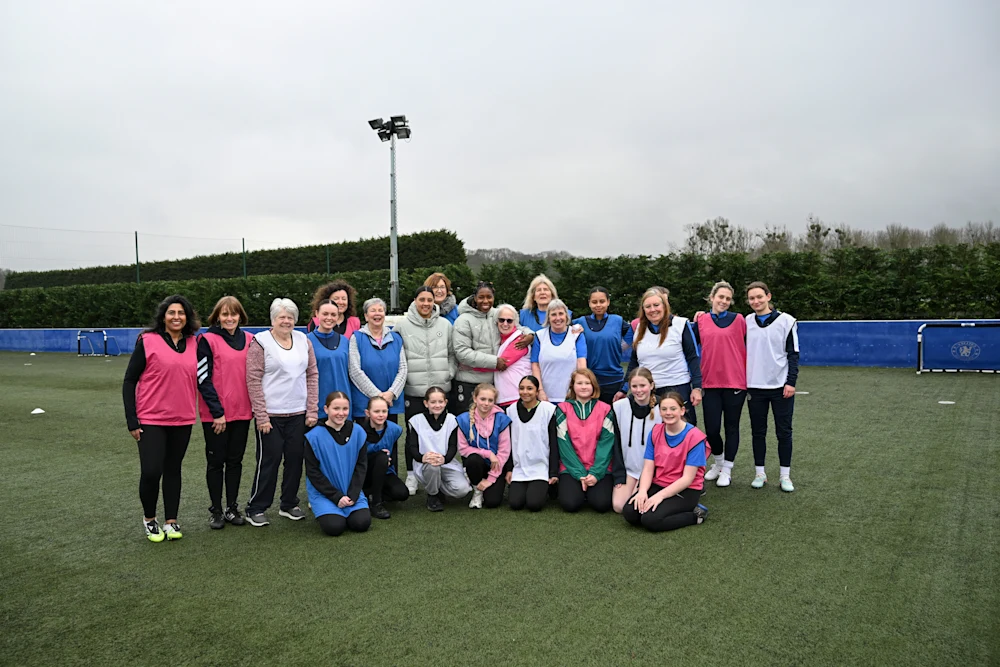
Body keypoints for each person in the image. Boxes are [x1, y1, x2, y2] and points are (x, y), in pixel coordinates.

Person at [123, 294, 200, 542]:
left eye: (181, 313)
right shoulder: (147, 341)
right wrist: (132, 420)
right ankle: (149, 519)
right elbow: (129, 380)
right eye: (171, 312)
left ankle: (171, 521)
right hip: (151, 418)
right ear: (163, 316)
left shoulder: (194, 343)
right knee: (151, 471)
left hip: (183, 418)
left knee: (173, 469)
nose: (176, 317)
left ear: (187, 317)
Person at [245, 298, 319, 527]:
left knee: (295, 460)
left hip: (298, 412)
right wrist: (262, 415)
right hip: (272, 415)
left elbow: (312, 374)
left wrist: (312, 409)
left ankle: (288, 504)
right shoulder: (261, 341)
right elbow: (253, 379)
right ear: (273, 319)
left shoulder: (303, 340)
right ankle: (256, 507)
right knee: (269, 460)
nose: (286, 321)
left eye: (290, 317)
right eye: (282, 317)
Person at [196, 295, 254, 529]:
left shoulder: (251, 340)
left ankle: (231, 507)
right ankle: (216, 510)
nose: (230, 318)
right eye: (225, 314)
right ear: (217, 317)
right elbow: (203, 379)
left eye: (234, 314)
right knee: (215, 462)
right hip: (216, 416)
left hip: (242, 412)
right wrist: (217, 412)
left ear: (240, 316)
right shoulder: (206, 340)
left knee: (235, 461)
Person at [393, 286, 455, 495]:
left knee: (442, 434)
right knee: (413, 435)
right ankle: (411, 474)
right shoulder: (402, 326)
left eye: (430, 300)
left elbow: (452, 353)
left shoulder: (445, 324)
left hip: (441, 389)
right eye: (422, 300)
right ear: (415, 301)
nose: (426, 304)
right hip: (414, 390)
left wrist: (449, 373)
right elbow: (396, 355)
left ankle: (443, 470)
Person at [622, 392, 710, 532]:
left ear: (682, 411)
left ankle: (696, 515)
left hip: (686, 490)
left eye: (673, 409)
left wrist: (659, 497)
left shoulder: (695, 437)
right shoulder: (656, 431)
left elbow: (687, 479)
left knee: (650, 520)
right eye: (664, 409)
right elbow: (648, 468)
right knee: (629, 513)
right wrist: (642, 491)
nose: (668, 413)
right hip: (660, 482)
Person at [618, 288, 702, 426]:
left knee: (683, 431)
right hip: (648, 391)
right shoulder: (640, 328)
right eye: (648, 306)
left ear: (664, 305)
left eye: (656, 305)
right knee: (652, 433)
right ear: (643, 310)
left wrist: (697, 388)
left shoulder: (680, 324)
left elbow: (692, 357)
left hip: (677, 387)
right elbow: (634, 362)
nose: (653, 310)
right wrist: (624, 388)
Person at [745, 281, 799, 492]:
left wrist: (791, 382)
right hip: (754, 387)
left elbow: (793, 354)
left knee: (783, 432)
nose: (756, 301)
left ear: (768, 296)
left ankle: (785, 476)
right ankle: (760, 473)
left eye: (759, 296)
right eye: (751, 298)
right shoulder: (746, 321)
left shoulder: (787, 321)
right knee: (758, 432)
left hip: (780, 387)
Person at [692, 281, 747, 488]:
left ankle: (727, 469)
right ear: (712, 297)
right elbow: (689, 348)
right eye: (720, 297)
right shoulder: (701, 321)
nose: (723, 301)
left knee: (731, 427)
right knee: (712, 429)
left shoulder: (740, 320)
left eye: (727, 298)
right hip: (709, 383)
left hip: (735, 382)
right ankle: (719, 462)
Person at [453, 281, 533, 412]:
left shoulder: (497, 314)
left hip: (492, 383)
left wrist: (530, 334)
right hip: (469, 382)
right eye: (481, 297)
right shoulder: (463, 320)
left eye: (489, 297)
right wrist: (494, 362)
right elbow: (462, 353)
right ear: (475, 297)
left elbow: (517, 326)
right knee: (469, 424)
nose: (485, 301)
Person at [304, 392, 371, 536]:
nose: (341, 413)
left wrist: (353, 494)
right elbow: (313, 472)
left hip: (350, 491)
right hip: (325, 494)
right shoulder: (313, 436)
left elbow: (361, 466)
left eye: (345, 409)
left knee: (361, 523)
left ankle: (349, 506)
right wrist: (336, 497)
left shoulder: (358, 431)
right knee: (334, 527)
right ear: (326, 409)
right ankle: (325, 509)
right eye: (336, 409)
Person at [554, 369, 617, 513]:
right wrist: (580, 474)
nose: (583, 386)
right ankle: (579, 488)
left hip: (600, 468)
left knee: (601, 505)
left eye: (587, 383)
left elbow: (606, 444)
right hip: (571, 468)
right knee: (570, 504)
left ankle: (591, 489)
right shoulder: (562, 409)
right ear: (572, 386)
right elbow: (564, 445)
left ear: (593, 386)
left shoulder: (606, 409)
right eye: (579, 383)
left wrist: (595, 473)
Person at [406, 386, 472, 511]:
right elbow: (412, 446)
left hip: (446, 463)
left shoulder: (452, 420)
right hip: (426, 464)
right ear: (426, 403)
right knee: (432, 466)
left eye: (440, 402)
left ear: (446, 402)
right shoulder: (416, 421)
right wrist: (422, 457)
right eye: (433, 402)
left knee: (462, 490)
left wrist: (444, 459)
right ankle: (433, 495)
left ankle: (436, 488)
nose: (437, 405)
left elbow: (453, 446)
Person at [611, 368, 661, 514]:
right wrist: (619, 474)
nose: (639, 390)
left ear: (651, 385)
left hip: (652, 470)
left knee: (637, 507)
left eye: (643, 385)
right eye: (634, 386)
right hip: (629, 470)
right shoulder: (619, 407)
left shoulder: (663, 407)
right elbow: (615, 444)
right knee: (619, 506)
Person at [505, 376, 559, 512]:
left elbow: (554, 442)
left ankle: (547, 489)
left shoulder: (548, 410)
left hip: (541, 467)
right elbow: (508, 443)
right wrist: (510, 469)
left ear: (537, 391)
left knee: (534, 504)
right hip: (520, 467)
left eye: (530, 388)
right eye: (522, 388)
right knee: (515, 504)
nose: (525, 392)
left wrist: (553, 472)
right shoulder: (510, 411)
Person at [348, 297, 407, 420]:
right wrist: (378, 397)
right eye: (372, 310)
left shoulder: (396, 338)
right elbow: (355, 371)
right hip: (365, 405)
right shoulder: (356, 338)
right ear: (366, 316)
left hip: (390, 404)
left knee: (390, 438)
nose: (377, 314)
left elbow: (403, 369)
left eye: (380, 310)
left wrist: (391, 394)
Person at [456, 383, 512, 509]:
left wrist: (491, 479)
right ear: (475, 398)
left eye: (490, 400)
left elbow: (504, 452)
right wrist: (488, 453)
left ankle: (486, 484)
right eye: (482, 399)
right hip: (478, 463)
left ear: (495, 401)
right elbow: (463, 449)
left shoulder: (502, 419)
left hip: (496, 465)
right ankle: (477, 490)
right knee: (473, 459)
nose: (486, 403)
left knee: (492, 502)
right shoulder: (463, 419)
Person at [575, 287, 633, 404]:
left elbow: (633, 337)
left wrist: (618, 348)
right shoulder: (580, 322)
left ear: (608, 302)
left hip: (614, 381)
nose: (598, 305)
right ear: (589, 303)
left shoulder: (617, 320)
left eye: (602, 301)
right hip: (590, 381)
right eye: (594, 302)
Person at [359, 396, 408, 519]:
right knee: (381, 457)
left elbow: (392, 452)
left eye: (384, 411)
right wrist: (378, 456)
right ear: (367, 413)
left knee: (402, 493)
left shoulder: (394, 429)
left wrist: (387, 462)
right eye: (376, 411)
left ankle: (369, 494)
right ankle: (376, 502)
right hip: (363, 473)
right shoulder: (359, 431)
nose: (381, 415)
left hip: (385, 471)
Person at [531, 299, 587, 403]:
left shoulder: (577, 335)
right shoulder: (539, 336)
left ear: (566, 316)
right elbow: (535, 365)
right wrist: (540, 391)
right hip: (546, 397)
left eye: (561, 313)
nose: (558, 318)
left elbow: (581, 365)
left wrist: (576, 389)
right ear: (548, 317)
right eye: (553, 314)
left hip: (570, 396)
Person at [307, 299, 352, 422]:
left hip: (343, 406)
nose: (329, 318)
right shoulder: (306, 341)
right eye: (325, 314)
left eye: (333, 314)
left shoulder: (345, 341)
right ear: (317, 314)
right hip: (318, 407)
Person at [493, 304, 533, 408]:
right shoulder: (500, 339)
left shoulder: (520, 340)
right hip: (505, 398)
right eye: (501, 320)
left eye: (509, 321)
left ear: (515, 322)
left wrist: (470, 365)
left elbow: (500, 364)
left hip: (517, 398)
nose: (505, 324)